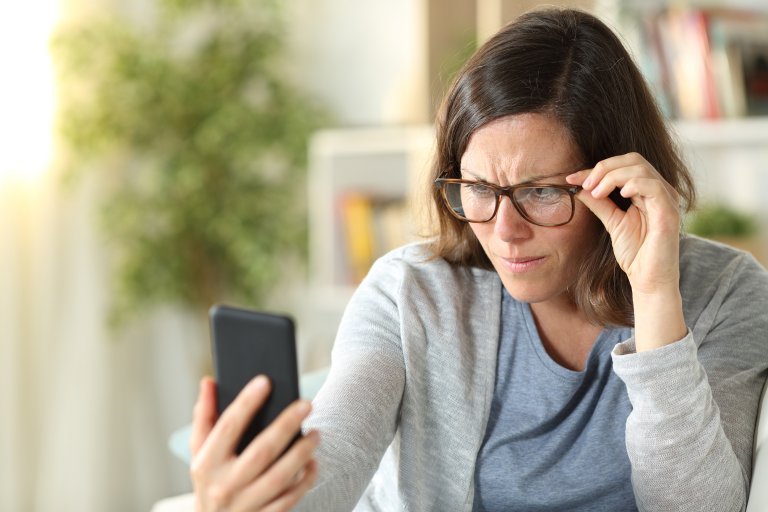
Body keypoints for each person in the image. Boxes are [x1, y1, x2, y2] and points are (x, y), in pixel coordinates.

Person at [188, 7, 768, 511]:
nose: (504, 230)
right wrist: (256, 496)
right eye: (479, 189)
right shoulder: (408, 293)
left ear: (616, 185)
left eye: (542, 192)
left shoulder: (727, 294)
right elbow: (335, 451)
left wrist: (657, 297)